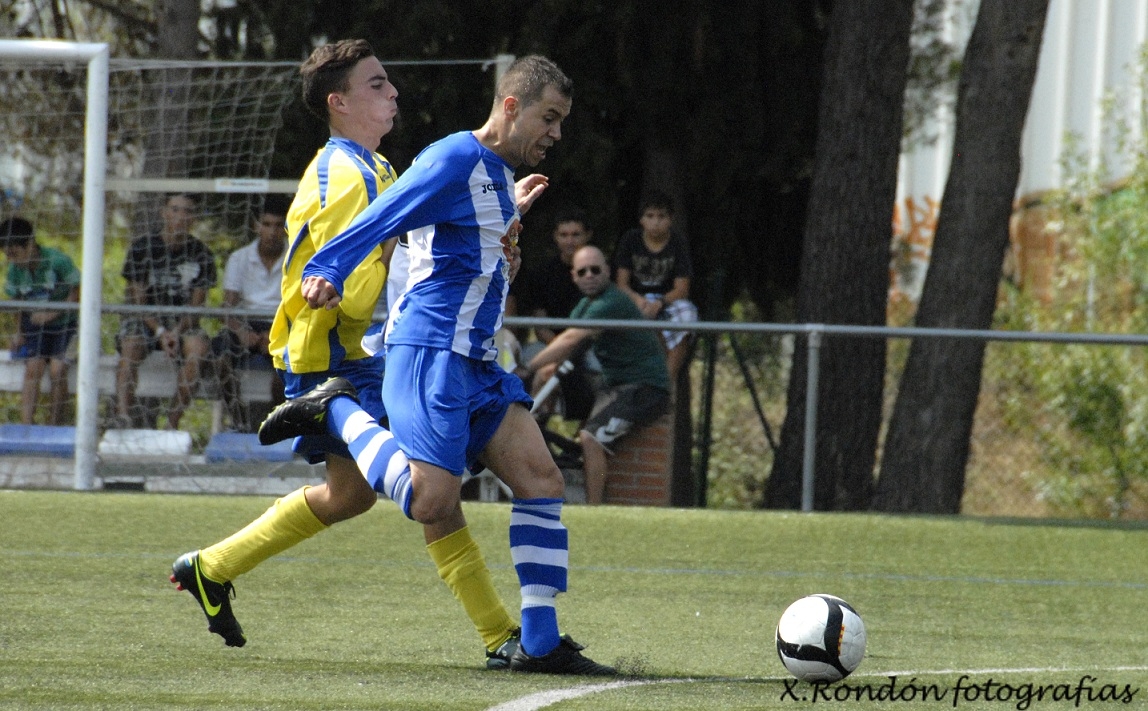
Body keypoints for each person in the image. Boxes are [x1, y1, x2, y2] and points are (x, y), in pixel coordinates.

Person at [169, 40, 522, 671]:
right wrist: (391, 262)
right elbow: (339, 288)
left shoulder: (377, 168)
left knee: (352, 495)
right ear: (340, 102)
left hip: (351, 355)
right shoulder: (346, 176)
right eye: (378, 84)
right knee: (432, 487)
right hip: (332, 356)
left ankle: (209, 567)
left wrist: (492, 234)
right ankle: (501, 635)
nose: (394, 94)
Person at [268, 54, 616, 676]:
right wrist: (327, 268)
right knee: (432, 502)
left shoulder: (494, 175)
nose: (557, 133)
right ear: (511, 106)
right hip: (429, 352)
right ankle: (337, 406)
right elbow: (388, 213)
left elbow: (471, 244)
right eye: (550, 117)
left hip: (477, 362)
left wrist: (511, 208)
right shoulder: (455, 155)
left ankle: (540, 643)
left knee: (542, 481)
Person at [520, 245, 670, 504]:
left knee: (591, 438)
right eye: (583, 271)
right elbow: (570, 345)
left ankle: (593, 507)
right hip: (614, 385)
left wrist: (527, 368)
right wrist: (544, 371)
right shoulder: (585, 305)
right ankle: (529, 428)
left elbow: (570, 339)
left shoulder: (610, 302)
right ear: (574, 277)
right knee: (551, 379)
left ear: (608, 272)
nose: (589, 275)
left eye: (596, 269)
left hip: (643, 387)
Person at [115, 193, 216, 429]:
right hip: (147, 319)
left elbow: (196, 306)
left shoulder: (202, 254)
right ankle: (122, 417)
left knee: (199, 348)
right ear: (163, 212)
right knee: (130, 345)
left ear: (195, 217)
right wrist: (160, 331)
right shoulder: (142, 248)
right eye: (175, 209)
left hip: (182, 322)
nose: (180, 216)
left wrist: (175, 331)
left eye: (187, 211)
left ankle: (172, 424)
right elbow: (138, 301)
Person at [510, 207, 597, 421]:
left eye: (576, 234)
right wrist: (561, 348)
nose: (570, 241)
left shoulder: (600, 273)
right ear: (555, 238)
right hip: (549, 346)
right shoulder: (542, 274)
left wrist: (569, 348)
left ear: (588, 236)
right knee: (518, 362)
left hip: (592, 348)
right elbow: (540, 326)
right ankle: (533, 423)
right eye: (564, 235)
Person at [211, 198, 290, 432]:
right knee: (220, 354)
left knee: (287, 368)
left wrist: (276, 334)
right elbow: (227, 307)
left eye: (278, 225)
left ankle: (280, 424)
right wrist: (242, 332)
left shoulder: (296, 258)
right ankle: (238, 421)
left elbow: (301, 306)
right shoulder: (239, 258)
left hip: (282, 324)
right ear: (257, 226)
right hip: (246, 323)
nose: (272, 232)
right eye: (267, 224)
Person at [0, 217, 80, 425]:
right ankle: (26, 426)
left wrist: (52, 313)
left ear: (30, 244)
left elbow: (78, 291)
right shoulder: (15, 272)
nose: (12, 260)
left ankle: (55, 425)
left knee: (57, 368)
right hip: (35, 328)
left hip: (65, 326)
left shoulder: (57, 261)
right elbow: (16, 302)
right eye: (7, 255)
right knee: (33, 367)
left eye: (15, 254)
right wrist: (18, 332)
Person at [612, 190, 697, 382]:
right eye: (650, 216)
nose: (656, 222)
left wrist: (660, 302)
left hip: (667, 300)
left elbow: (682, 288)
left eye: (661, 216)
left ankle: (667, 379)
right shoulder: (630, 240)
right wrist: (640, 301)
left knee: (687, 315)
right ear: (641, 219)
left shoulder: (677, 243)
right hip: (636, 298)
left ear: (670, 219)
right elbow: (621, 283)